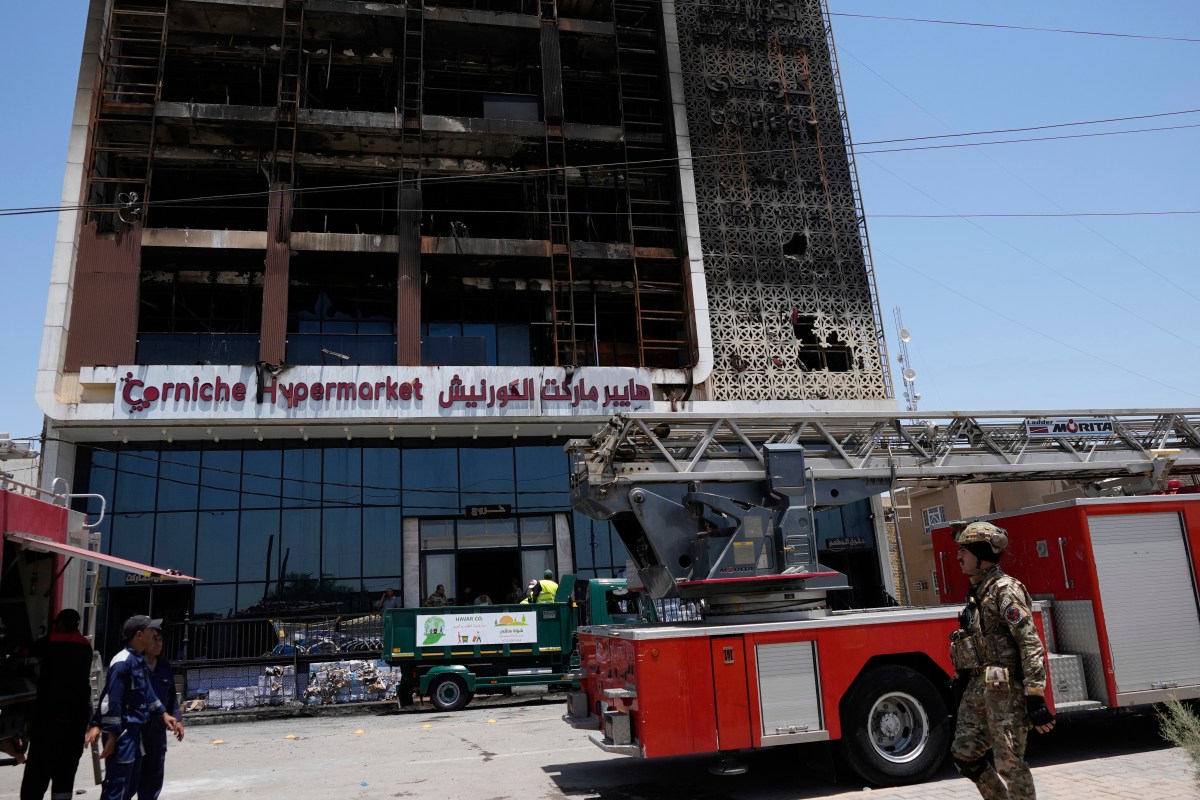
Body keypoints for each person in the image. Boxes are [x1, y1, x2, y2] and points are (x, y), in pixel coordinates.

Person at [948, 521, 1055, 800]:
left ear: (982, 556)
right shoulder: (978, 591)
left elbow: (1029, 641)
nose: (959, 556)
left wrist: (1034, 694)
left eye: (965, 551)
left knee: (1009, 764)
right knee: (964, 754)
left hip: (1005, 691)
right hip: (979, 688)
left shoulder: (1005, 590)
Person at [84, 615, 181, 800]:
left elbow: (149, 694)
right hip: (123, 734)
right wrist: (110, 734)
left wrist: (164, 714)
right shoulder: (122, 662)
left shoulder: (138, 661)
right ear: (139, 635)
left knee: (132, 783)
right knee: (118, 786)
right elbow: (111, 700)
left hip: (136, 733)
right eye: (150, 630)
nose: (154, 634)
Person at [19, 608, 93, 800]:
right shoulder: (86, 646)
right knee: (65, 773)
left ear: (60, 624)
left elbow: (25, 651)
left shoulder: (52, 641)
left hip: (49, 720)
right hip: (75, 723)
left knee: (37, 773)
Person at [136, 624, 183, 800]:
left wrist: (177, 719)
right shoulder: (134, 665)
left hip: (157, 730)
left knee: (154, 775)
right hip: (137, 727)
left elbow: (171, 697)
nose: (158, 644)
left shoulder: (164, 666)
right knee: (132, 776)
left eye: (160, 640)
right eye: (154, 640)